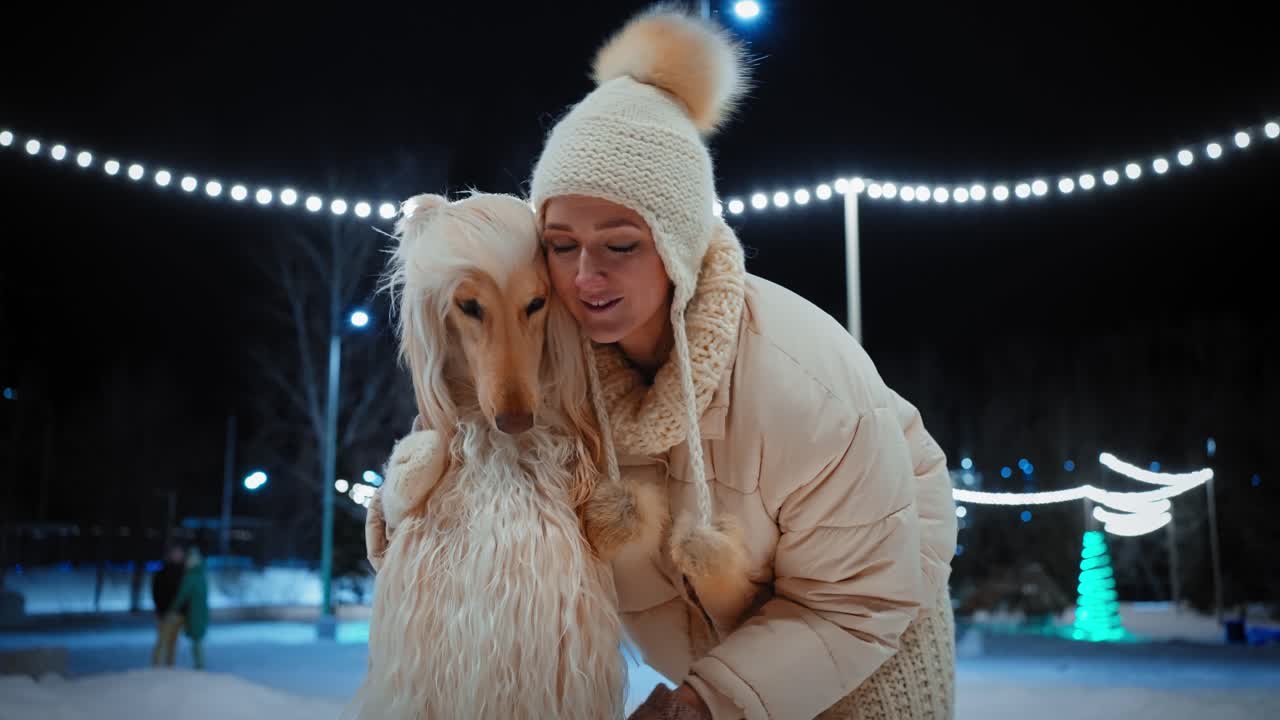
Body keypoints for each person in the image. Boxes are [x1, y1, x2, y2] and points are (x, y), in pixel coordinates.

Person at [371, 8, 958, 719]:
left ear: (677, 243)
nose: (586, 276)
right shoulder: (563, 364)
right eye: (561, 244)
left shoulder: (804, 382)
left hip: (866, 672)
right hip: (701, 678)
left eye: (620, 246)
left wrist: (711, 703)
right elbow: (487, 465)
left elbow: (858, 600)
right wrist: (415, 510)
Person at [168, 546, 209, 670]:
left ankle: (199, 665)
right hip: (201, 612)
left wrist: (172, 609)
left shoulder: (191, 577)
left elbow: (182, 596)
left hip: (194, 613)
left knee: (195, 641)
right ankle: (199, 664)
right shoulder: (201, 575)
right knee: (197, 640)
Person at [150, 545, 186, 666]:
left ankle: (170, 666)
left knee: (174, 642)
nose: (178, 556)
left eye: (180, 553)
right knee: (162, 640)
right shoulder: (162, 572)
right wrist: (160, 610)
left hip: (179, 613)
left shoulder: (184, 572)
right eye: (176, 553)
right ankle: (157, 665)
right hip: (166, 612)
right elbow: (157, 592)